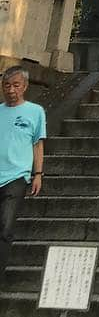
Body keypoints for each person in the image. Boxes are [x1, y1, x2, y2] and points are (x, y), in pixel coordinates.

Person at [0, 64, 45, 276]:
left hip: (17, 176)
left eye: (16, 85)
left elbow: (38, 144)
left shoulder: (35, 112)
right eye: (6, 85)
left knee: (6, 227)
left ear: (25, 86)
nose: (10, 90)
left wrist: (38, 174)